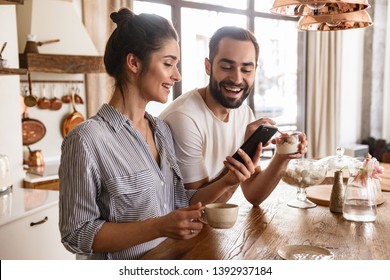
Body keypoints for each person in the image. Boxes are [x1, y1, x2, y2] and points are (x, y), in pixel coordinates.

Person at [59, 8, 239, 260]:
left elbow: (180, 202)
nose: (177, 76)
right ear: (133, 63)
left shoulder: (162, 130)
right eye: (168, 64)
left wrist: (228, 180)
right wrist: (158, 226)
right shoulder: (86, 140)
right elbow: (76, 234)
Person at [160, 26, 308, 206]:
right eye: (227, 67)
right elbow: (197, 208)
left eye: (246, 70)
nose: (237, 79)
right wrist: (244, 152)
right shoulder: (184, 118)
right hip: (184, 231)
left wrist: (282, 157)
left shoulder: (244, 113)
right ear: (208, 66)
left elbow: (254, 194)